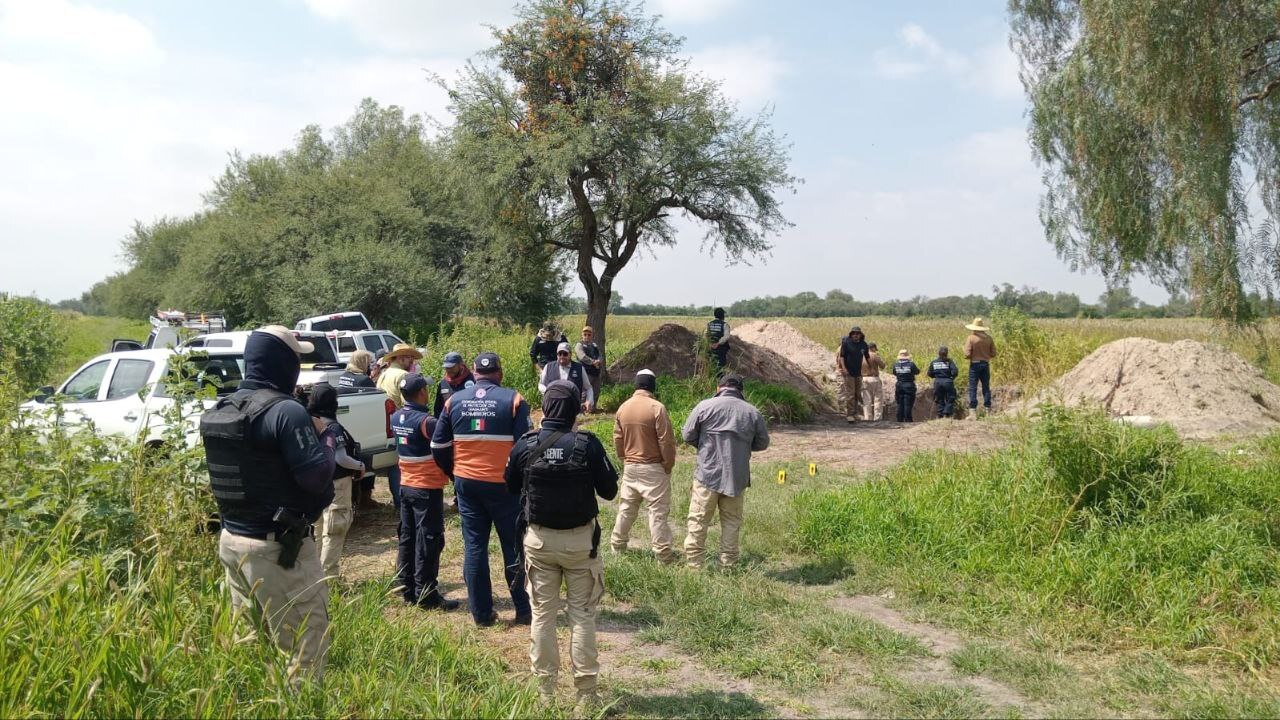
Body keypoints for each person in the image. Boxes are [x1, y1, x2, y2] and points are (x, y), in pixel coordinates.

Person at [200, 325, 337, 683]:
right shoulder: (285, 412)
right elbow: (317, 478)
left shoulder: (223, 409)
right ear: (282, 362)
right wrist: (328, 439)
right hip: (279, 551)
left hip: (232, 543)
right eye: (297, 359)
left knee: (249, 643)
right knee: (304, 645)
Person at [504, 381, 619, 710]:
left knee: (542, 615)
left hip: (539, 542)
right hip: (580, 543)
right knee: (582, 615)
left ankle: (545, 693)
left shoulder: (526, 445)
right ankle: (586, 696)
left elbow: (511, 485)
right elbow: (609, 491)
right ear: (573, 408)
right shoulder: (588, 445)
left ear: (546, 407)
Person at [431, 352, 533, 626]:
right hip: (504, 486)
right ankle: (523, 610)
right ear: (499, 373)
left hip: (467, 484)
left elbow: (438, 446)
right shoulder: (514, 400)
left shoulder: (454, 401)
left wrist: (453, 473)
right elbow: (526, 447)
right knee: (512, 546)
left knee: (474, 546)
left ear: (474, 373)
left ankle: (481, 614)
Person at [682, 373, 770, 569]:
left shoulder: (704, 406)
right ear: (741, 391)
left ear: (718, 388)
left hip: (707, 474)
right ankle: (728, 565)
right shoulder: (752, 412)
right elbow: (763, 443)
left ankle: (694, 565)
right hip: (737, 478)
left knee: (698, 519)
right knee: (731, 523)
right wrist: (742, 447)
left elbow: (687, 434)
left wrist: (704, 446)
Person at [392, 373, 461, 612]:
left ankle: (406, 587)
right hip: (426, 487)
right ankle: (427, 593)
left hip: (406, 485)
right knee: (429, 540)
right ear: (422, 393)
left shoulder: (396, 416)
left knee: (408, 537)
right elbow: (446, 444)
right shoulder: (426, 422)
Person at [609, 369, 679, 563]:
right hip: (653, 467)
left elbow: (618, 438)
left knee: (626, 509)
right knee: (657, 513)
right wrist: (668, 464)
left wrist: (625, 457)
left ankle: (617, 545)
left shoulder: (623, 408)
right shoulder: (657, 408)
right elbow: (666, 441)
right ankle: (663, 555)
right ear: (652, 386)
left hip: (631, 467)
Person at [308, 382, 364, 582]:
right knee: (334, 530)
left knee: (319, 529)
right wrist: (359, 466)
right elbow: (341, 458)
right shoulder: (332, 426)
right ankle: (330, 579)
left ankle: (316, 576)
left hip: (316, 485)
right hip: (337, 484)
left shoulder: (308, 423)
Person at [377, 343, 423, 510]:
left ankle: (399, 500)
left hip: (389, 422)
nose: (412, 360)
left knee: (394, 463)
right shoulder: (403, 375)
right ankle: (404, 502)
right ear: (401, 357)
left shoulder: (385, 373)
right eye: (409, 356)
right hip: (404, 421)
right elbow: (409, 402)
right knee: (404, 463)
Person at [539, 342, 594, 413]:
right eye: (559, 354)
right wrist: (548, 391)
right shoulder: (548, 367)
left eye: (565, 354)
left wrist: (589, 401)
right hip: (552, 409)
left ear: (570, 354)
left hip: (573, 411)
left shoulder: (579, 368)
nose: (562, 356)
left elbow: (588, 388)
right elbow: (541, 384)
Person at [963, 317, 998, 417]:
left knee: (973, 387)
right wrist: (985, 356)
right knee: (986, 387)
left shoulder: (971, 338)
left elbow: (967, 354)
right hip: (985, 364)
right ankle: (988, 410)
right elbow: (994, 353)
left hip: (975, 364)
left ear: (974, 328)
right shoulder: (989, 338)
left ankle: (973, 411)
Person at [837, 326, 872, 423]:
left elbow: (867, 356)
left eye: (857, 333)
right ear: (851, 334)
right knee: (850, 394)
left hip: (858, 373)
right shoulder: (846, 343)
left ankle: (856, 413)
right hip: (849, 373)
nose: (856, 335)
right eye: (854, 333)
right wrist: (844, 368)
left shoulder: (864, 345)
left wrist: (871, 367)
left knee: (857, 394)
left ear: (861, 335)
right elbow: (842, 357)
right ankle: (850, 415)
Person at [434, 351, 476, 418]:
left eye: (451, 367)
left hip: (468, 423)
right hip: (449, 424)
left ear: (461, 365)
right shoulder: (443, 383)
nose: (449, 370)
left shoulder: (473, 380)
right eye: (447, 367)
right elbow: (438, 409)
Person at [574, 326, 604, 409]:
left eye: (589, 334)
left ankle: (592, 408)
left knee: (596, 390)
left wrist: (599, 361)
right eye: (585, 334)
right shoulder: (579, 345)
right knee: (584, 391)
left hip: (596, 371)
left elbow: (600, 355)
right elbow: (582, 357)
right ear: (582, 335)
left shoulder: (594, 345)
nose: (587, 336)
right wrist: (593, 362)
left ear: (592, 335)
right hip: (585, 371)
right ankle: (582, 409)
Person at [927, 346, 960, 419]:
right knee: (951, 397)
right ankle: (947, 413)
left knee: (939, 398)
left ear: (938, 353)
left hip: (937, 382)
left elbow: (929, 373)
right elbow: (955, 372)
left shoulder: (934, 362)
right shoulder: (949, 361)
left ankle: (940, 414)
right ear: (947, 353)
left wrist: (935, 376)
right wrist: (952, 377)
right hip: (948, 381)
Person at [892, 349, 921, 423]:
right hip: (909, 385)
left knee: (899, 403)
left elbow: (894, 373)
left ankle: (899, 419)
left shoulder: (896, 364)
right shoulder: (911, 364)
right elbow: (917, 371)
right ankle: (908, 419)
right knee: (908, 403)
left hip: (899, 385)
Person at [861, 342, 887, 421]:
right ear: (872, 348)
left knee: (866, 400)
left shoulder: (861, 357)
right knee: (878, 399)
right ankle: (877, 418)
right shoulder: (874, 355)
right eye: (875, 349)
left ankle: (867, 418)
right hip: (874, 378)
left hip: (864, 378)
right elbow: (882, 366)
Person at [705, 308, 731, 373]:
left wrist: (709, 344)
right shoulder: (725, 325)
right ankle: (719, 379)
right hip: (721, 349)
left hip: (710, 348)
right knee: (720, 366)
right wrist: (718, 343)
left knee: (711, 363)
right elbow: (726, 336)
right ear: (722, 315)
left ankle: (711, 378)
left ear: (715, 315)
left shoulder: (709, 324)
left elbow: (706, 335)